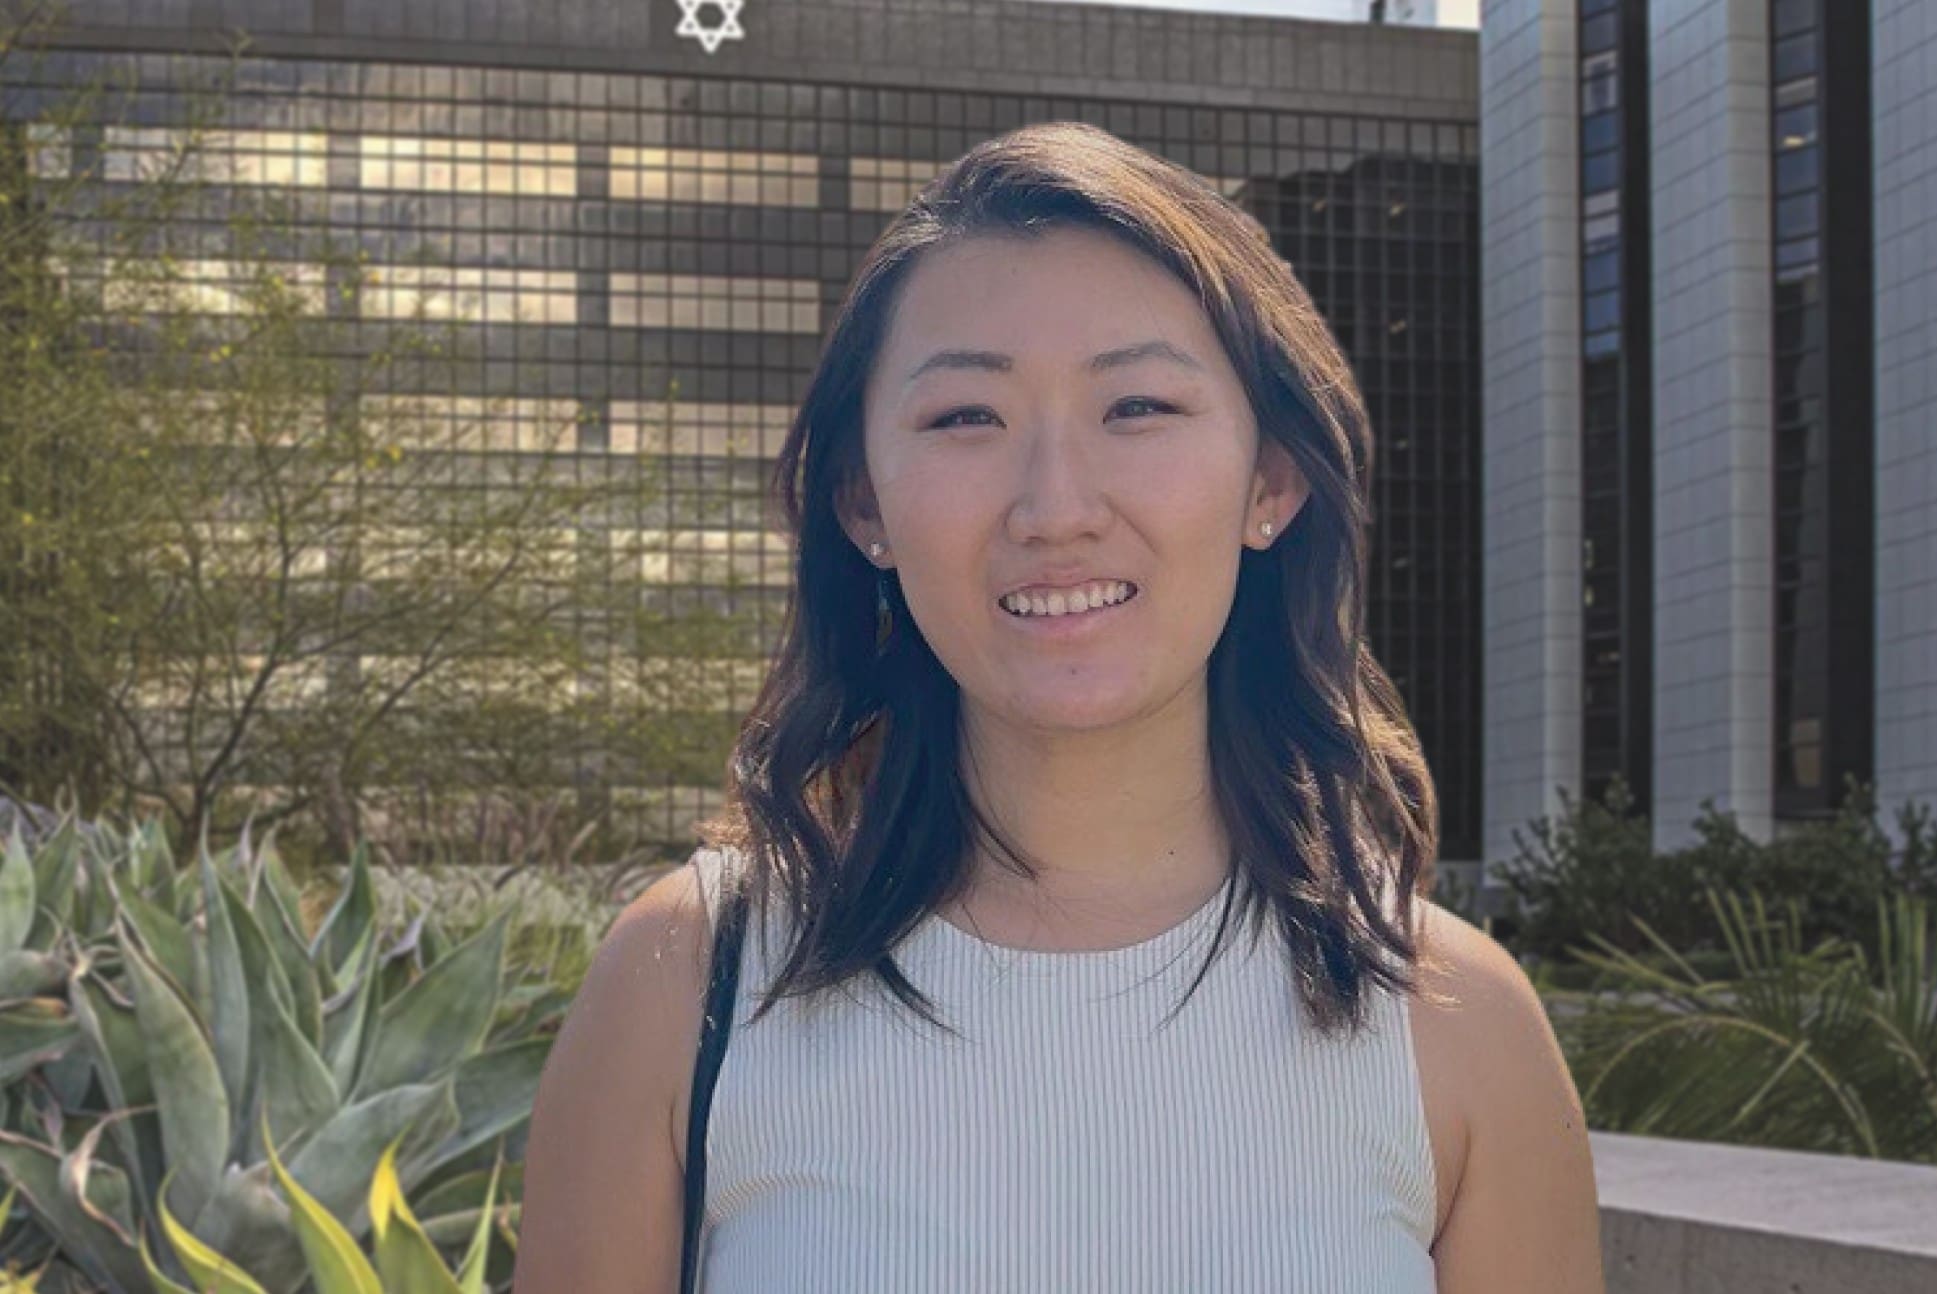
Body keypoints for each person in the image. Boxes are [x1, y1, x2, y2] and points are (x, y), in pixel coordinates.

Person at [516, 120, 1603, 1292]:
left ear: (1272, 481)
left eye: (1137, 407)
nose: (1055, 505)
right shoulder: (691, 976)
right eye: (965, 418)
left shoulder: (1455, 1020)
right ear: (862, 503)